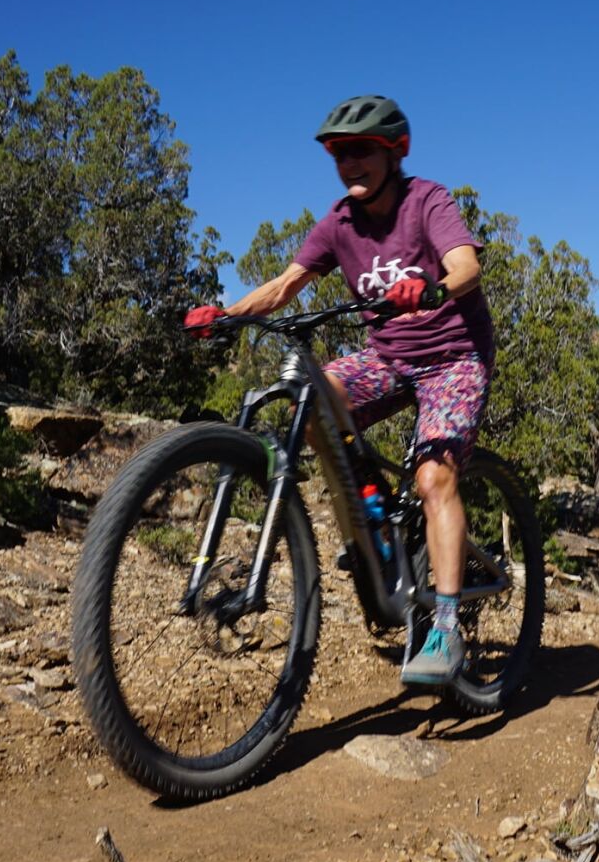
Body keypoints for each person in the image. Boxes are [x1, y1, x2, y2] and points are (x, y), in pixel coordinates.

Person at [184, 95, 494, 685]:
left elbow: (467, 266)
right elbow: (284, 287)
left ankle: (446, 631)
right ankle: (371, 524)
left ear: (394, 152)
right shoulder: (338, 224)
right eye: (339, 154)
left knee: (433, 479)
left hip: (454, 357)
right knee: (318, 394)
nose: (349, 163)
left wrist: (429, 284)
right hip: (388, 357)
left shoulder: (426, 200)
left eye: (362, 151)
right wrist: (225, 314)